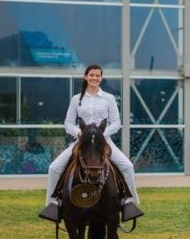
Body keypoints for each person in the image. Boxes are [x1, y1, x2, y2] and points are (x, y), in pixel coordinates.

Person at [38, 64, 143, 223]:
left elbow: (116, 123)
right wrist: (80, 133)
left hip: (103, 142)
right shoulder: (76, 99)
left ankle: (129, 203)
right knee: (54, 168)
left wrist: (101, 134)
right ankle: (53, 205)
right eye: (92, 75)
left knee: (128, 166)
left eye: (98, 75)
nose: (95, 78)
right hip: (81, 142)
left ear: (101, 78)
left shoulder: (109, 98)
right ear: (86, 77)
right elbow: (68, 123)